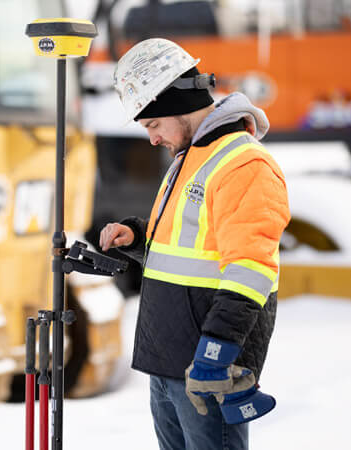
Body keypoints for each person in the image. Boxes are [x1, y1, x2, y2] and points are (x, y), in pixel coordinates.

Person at [99, 38, 290, 450]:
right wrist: (137, 237)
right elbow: (187, 248)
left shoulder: (244, 164)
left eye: (152, 125)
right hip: (167, 363)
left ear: (175, 105)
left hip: (205, 369)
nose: (152, 139)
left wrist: (216, 352)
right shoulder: (191, 157)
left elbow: (251, 269)